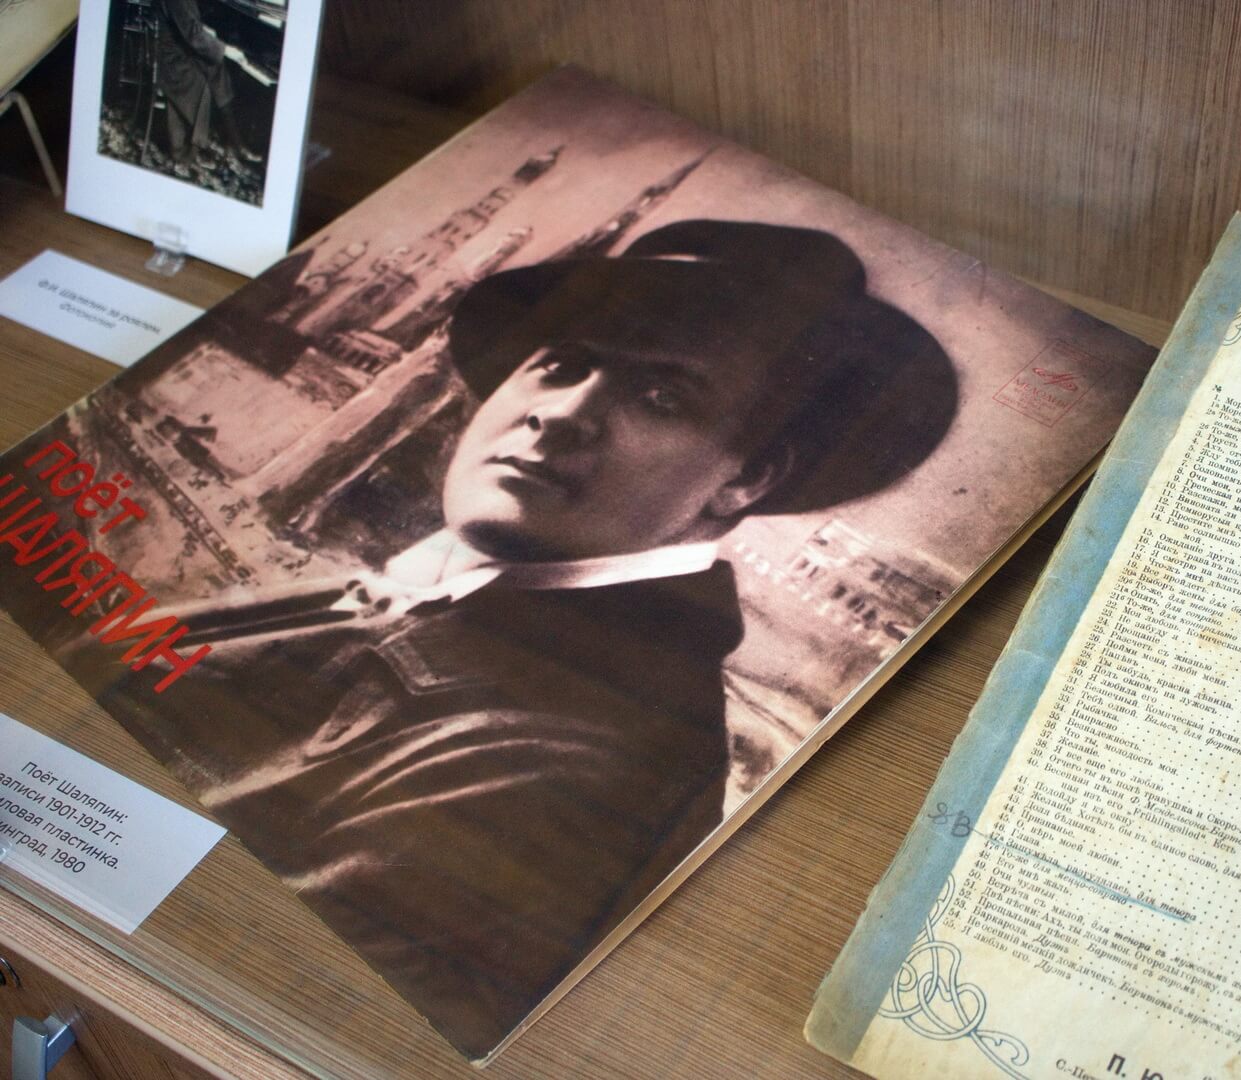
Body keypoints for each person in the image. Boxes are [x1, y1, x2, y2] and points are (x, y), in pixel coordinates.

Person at [59, 220, 959, 1055]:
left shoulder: (576, 764)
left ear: (747, 477)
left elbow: (269, 995)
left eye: (660, 395)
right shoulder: (419, 597)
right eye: (564, 362)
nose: (560, 413)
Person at [153, 0, 261, 173]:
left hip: (180, 49)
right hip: (174, 60)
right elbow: (192, 34)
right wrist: (226, 50)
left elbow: (188, 23)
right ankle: (189, 153)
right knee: (205, 80)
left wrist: (210, 37)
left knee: (217, 68)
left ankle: (235, 141)